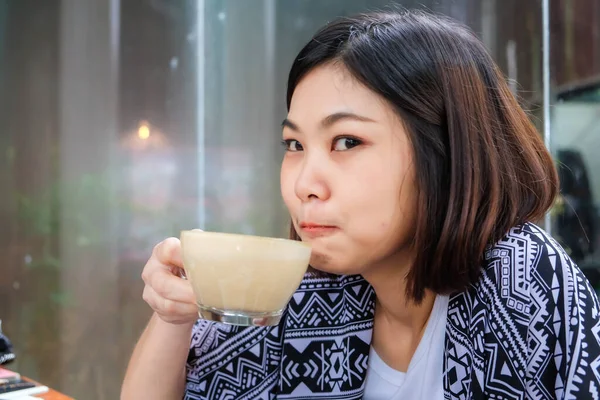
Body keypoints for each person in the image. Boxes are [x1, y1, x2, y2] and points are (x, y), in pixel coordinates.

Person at [121, 10, 600, 400]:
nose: (305, 183)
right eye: (294, 145)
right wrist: (173, 318)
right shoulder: (306, 292)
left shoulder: (523, 283)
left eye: (347, 141)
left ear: (447, 150)